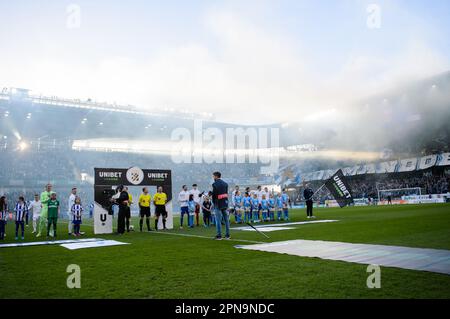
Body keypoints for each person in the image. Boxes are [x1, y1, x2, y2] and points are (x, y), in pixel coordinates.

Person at [211, 171, 230, 240]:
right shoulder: (225, 184)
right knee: (226, 219)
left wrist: (213, 202)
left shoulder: (215, 184)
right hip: (224, 203)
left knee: (218, 220)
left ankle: (219, 235)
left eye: (213, 176)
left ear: (216, 176)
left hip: (218, 203)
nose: (213, 177)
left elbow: (214, 195)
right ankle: (227, 235)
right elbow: (226, 194)